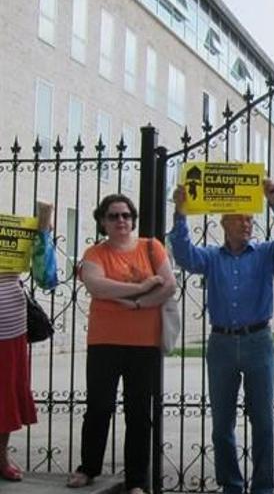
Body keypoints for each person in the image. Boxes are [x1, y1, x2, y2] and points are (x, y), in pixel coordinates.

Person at [169, 180, 274, 494]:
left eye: (250, 220)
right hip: (221, 345)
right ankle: (231, 485)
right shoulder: (212, 257)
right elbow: (184, 255)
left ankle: (263, 488)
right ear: (224, 223)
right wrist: (180, 212)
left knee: (263, 422)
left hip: (258, 342)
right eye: (240, 219)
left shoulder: (267, 253)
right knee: (221, 425)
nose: (246, 224)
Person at [69, 195, 176, 494]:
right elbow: (96, 285)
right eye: (113, 216)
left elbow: (168, 285)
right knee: (99, 407)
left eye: (126, 215)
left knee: (139, 412)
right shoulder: (95, 252)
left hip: (143, 342)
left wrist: (139, 304)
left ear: (133, 218)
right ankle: (88, 468)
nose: (121, 221)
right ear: (102, 221)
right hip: (104, 341)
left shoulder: (151, 247)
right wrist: (141, 287)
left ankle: (137, 481)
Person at [0, 201, 57, 482]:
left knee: (6, 393)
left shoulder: (17, 229)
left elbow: (46, 278)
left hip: (9, 324)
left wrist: (43, 230)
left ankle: (1, 458)